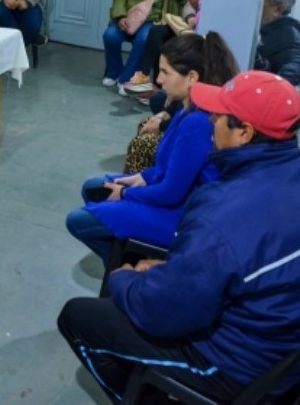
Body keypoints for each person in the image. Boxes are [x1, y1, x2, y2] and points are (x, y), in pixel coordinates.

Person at [59, 70, 300, 403]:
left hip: (236, 366)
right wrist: (174, 269)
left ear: (244, 132)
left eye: (220, 115)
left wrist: (125, 280)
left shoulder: (223, 211)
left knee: (79, 317)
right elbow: (240, 264)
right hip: (281, 347)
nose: (212, 120)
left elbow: (162, 312)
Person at [65, 32, 238, 266]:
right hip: (177, 200)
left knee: (77, 220)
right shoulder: (186, 110)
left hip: (184, 217)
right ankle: (129, 258)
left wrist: (126, 193)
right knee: (93, 187)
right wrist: (140, 178)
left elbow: (171, 193)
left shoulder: (197, 122)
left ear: (192, 78)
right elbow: (168, 168)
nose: (159, 80)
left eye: (166, 73)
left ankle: (130, 270)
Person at [102, 0, 188, 96]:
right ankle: (114, 72)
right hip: (131, 17)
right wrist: (121, 16)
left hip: (155, 21)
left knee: (143, 40)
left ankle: (127, 79)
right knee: (110, 36)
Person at [124, 0, 204, 96]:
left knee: (164, 44)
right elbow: (188, 5)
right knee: (156, 33)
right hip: (185, 30)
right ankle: (145, 77)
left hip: (196, 44)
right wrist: (190, 17)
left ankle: (156, 89)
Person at [255, 0, 300, 86]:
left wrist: (273, 87)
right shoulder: (261, 27)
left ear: (278, 9)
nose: (254, 2)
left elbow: (293, 69)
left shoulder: (289, 36)